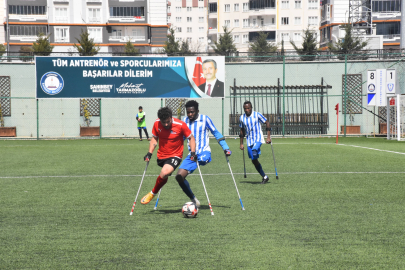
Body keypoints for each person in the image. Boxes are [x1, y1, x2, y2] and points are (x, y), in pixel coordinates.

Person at [175, 100, 232, 207]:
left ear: (197, 111)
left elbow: (216, 132)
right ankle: (193, 199)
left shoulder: (205, 119)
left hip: (204, 152)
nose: (190, 114)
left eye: (192, 112)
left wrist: (226, 148)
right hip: (192, 155)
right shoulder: (185, 121)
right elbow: (181, 138)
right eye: (188, 112)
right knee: (179, 177)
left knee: (201, 159)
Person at [141, 107, 196, 205]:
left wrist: (193, 152)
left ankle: (152, 193)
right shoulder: (156, 123)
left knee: (165, 172)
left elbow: (191, 138)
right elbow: (154, 139)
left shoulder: (180, 125)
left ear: (171, 117)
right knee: (164, 174)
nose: (166, 124)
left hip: (175, 155)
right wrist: (149, 153)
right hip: (161, 156)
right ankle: (156, 188)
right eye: (163, 122)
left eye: (168, 121)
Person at [239, 101, 271, 184]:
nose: (247, 110)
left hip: (258, 139)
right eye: (245, 108)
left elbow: (267, 122)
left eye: (248, 108)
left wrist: (268, 137)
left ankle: (256, 151)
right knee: (254, 160)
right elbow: (242, 130)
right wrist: (241, 143)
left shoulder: (257, 115)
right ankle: (265, 177)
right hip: (249, 141)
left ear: (251, 108)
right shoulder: (242, 118)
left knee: (254, 151)